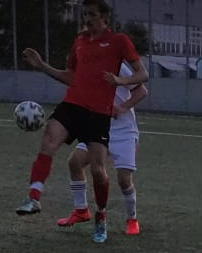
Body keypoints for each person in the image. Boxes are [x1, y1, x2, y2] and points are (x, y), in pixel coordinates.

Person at [16, 0, 148, 245]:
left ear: (105, 17)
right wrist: (43, 66)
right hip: (74, 105)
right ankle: (35, 197)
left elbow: (143, 77)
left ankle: (105, 216)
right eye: (84, 15)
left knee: (103, 173)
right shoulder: (79, 42)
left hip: (102, 116)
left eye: (92, 15)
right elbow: (71, 77)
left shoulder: (119, 43)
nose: (87, 20)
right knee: (52, 143)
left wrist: (120, 84)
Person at [59, 61, 148, 236]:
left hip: (123, 132)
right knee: (75, 162)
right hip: (98, 129)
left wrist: (122, 107)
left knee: (124, 179)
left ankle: (132, 219)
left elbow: (141, 91)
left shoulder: (116, 64)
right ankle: (81, 210)